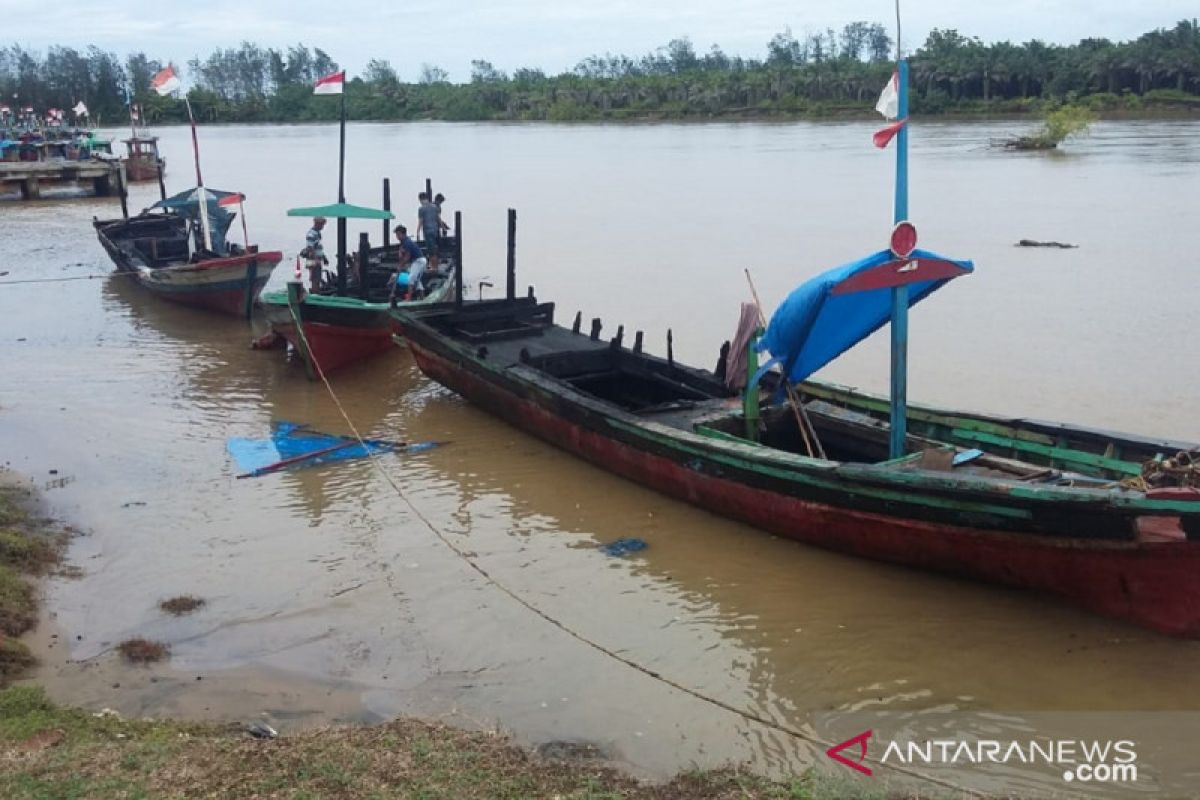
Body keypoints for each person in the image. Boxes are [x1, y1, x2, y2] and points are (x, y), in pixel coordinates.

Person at [391, 224, 428, 302]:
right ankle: (422, 298)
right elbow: (402, 256)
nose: (397, 237)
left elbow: (407, 257)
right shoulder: (403, 243)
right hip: (416, 262)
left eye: (398, 234)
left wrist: (401, 265)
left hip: (419, 261)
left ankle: (409, 298)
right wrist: (400, 254)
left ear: (403, 234)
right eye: (396, 235)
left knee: (411, 278)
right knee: (417, 281)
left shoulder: (407, 242)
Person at [302, 217, 328, 290]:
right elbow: (310, 248)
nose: (322, 227)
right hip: (312, 258)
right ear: (317, 224)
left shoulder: (318, 233)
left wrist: (324, 257)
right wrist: (316, 259)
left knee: (317, 277)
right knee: (315, 277)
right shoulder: (311, 234)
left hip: (317, 258)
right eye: (322, 225)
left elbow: (318, 247)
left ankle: (316, 290)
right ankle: (315, 291)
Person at [417, 192, 441, 271]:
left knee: (431, 250)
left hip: (427, 231)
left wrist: (417, 231)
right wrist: (443, 227)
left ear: (421, 199)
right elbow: (438, 219)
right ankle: (434, 266)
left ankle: (434, 267)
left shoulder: (421, 209)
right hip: (435, 230)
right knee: (434, 247)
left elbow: (421, 221)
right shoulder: (434, 207)